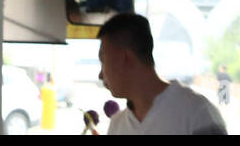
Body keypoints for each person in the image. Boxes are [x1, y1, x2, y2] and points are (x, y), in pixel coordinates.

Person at [97, 13, 226, 135]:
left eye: (103, 61)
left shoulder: (197, 113)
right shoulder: (117, 125)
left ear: (125, 57)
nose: (101, 75)